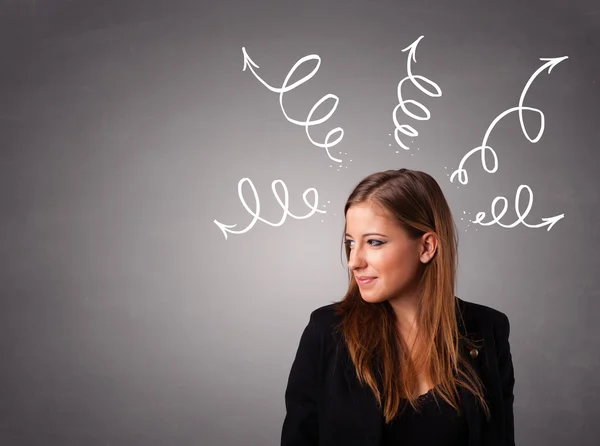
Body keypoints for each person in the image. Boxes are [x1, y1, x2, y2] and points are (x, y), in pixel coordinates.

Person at [280, 168, 515, 446]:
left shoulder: (488, 330)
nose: (354, 261)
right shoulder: (326, 333)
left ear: (426, 247)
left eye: (374, 242)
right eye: (350, 244)